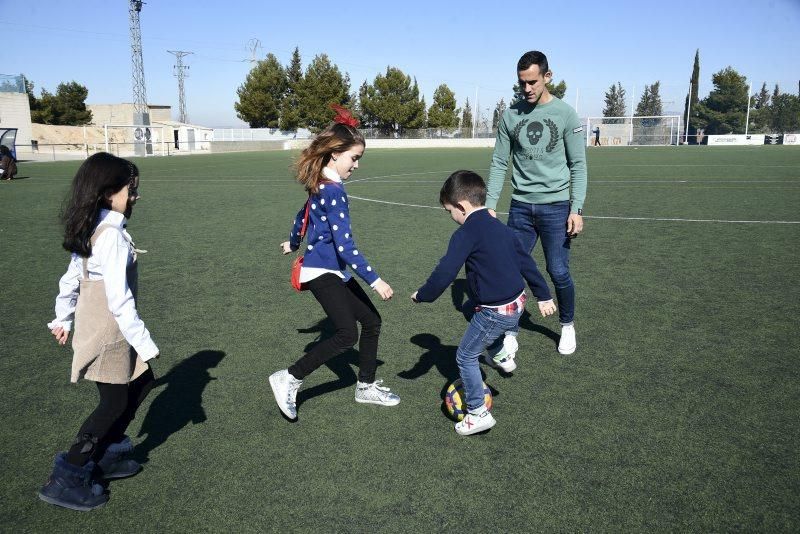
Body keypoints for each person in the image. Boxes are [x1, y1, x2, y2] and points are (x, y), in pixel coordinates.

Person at [40, 152, 159, 511]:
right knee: (114, 402)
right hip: (111, 329)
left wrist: (62, 318)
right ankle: (69, 474)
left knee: (142, 382)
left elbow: (72, 277)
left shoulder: (98, 227)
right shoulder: (110, 236)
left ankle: (106, 455)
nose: (135, 196)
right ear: (110, 193)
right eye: (130, 189)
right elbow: (119, 300)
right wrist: (145, 342)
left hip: (105, 325)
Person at [270, 105, 400, 421]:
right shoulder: (334, 191)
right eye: (354, 158)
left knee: (371, 321)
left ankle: (365, 386)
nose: (356, 166)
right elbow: (345, 246)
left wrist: (293, 240)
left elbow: (303, 214)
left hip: (331, 269)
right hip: (322, 271)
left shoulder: (322, 185)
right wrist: (375, 279)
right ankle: (290, 377)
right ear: (334, 155)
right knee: (346, 334)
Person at [411, 170, 556, 436]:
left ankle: (478, 413)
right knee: (469, 308)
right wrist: (543, 294)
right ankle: (501, 351)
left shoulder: (465, 234)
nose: (452, 218)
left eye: (449, 212)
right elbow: (526, 261)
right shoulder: (500, 227)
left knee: (465, 356)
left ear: (461, 206)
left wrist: (423, 294)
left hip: (496, 312)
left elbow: (445, 271)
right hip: (517, 304)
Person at [487, 50, 588, 355]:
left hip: (556, 208)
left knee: (557, 271)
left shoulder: (566, 115)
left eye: (532, 81)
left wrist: (576, 208)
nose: (527, 88)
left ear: (547, 77)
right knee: (511, 271)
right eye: (522, 83)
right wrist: (490, 205)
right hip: (520, 208)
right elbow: (499, 163)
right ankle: (510, 331)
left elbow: (578, 165)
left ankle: (567, 326)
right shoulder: (511, 115)